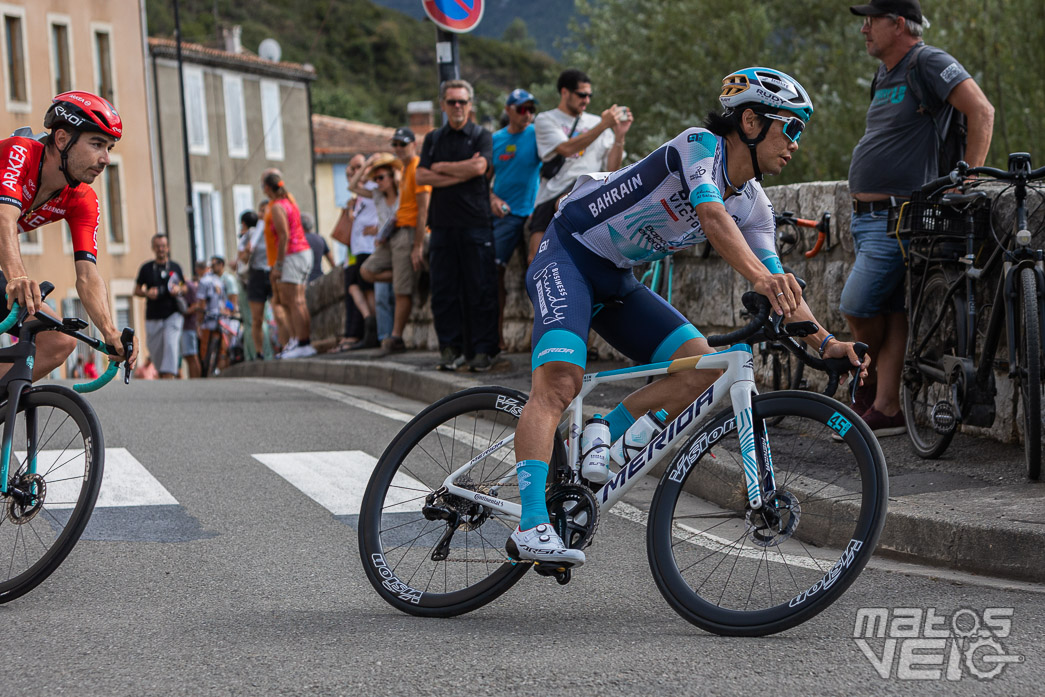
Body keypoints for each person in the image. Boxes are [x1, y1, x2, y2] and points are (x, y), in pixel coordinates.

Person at [505, 68, 870, 566]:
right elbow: (711, 216)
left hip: (616, 276)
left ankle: (602, 433)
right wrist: (759, 279)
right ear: (750, 120)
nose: (796, 144)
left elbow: (783, 288)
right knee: (558, 385)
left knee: (699, 370)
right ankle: (531, 525)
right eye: (791, 127)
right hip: (567, 253)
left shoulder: (755, 206)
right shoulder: (699, 146)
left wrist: (829, 344)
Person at [843, 0, 994, 435]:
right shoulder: (886, 74)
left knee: (856, 302)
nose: (864, 29)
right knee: (891, 311)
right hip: (867, 216)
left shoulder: (927, 61)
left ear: (899, 24)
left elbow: (981, 111)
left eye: (872, 20)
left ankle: (863, 376)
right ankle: (887, 406)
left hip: (898, 216)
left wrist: (967, 178)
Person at [0, 91, 138, 379]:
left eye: (109, 147)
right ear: (62, 139)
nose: (106, 159)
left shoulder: (82, 199)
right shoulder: (20, 152)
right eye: (97, 144)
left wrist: (110, 330)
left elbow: (87, 275)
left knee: (59, 340)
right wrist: (17, 277)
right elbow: (4, 218)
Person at [416, 79, 498, 372]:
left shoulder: (481, 136)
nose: (458, 107)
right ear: (443, 105)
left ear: (470, 104)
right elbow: (421, 177)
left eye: (462, 101)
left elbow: (480, 168)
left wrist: (440, 168)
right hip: (441, 226)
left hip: (475, 224)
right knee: (444, 293)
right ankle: (450, 349)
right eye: (452, 102)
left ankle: (482, 351)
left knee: (481, 289)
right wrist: (462, 171)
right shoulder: (433, 139)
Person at [528, 69, 633, 263]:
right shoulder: (546, 119)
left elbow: (612, 168)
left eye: (589, 95)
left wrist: (619, 136)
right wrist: (603, 125)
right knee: (535, 260)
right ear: (565, 92)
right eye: (581, 95)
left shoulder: (597, 122)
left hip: (588, 188)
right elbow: (566, 148)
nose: (586, 100)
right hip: (553, 191)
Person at [360, 127, 432, 355]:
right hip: (395, 233)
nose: (399, 148)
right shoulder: (404, 170)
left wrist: (418, 244)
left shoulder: (417, 167)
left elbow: (423, 210)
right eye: (396, 145)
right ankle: (412, 275)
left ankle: (395, 338)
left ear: (413, 144)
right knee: (367, 271)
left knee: (401, 291)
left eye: (403, 144)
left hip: (410, 232)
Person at [490, 88, 542, 350]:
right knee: (494, 272)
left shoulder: (538, 134)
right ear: (508, 110)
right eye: (522, 109)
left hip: (532, 212)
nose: (528, 114)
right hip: (506, 215)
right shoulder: (494, 140)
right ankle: (496, 338)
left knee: (540, 271)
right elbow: (483, 179)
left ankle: (542, 339)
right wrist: (492, 199)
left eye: (532, 109)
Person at [333, 152, 401, 352]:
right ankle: (383, 336)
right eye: (376, 177)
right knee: (375, 291)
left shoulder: (388, 190)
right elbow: (352, 186)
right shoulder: (376, 193)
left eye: (381, 177)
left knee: (382, 292)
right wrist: (366, 167)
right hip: (372, 247)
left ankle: (387, 335)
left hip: (375, 246)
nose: (378, 181)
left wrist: (374, 165)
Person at [262, 169, 316, 358]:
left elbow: (283, 235)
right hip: (302, 251)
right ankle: (302, 341)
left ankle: (301, 342)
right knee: (299, 300)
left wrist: (278, 265)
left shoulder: (277, 207)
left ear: (267, 188)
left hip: (292, 254)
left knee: (293, 301)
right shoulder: (289, 202)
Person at [135, 234, 186, 379]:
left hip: (173, 314)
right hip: (153, 316)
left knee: (171, 345)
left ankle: (169, 376)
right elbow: (136, 290)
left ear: (168, 247)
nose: (161, 249)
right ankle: (164, 374)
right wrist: (147, 293)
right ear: (153, 248)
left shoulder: (175, 267)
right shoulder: (146, 268)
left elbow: (185, 286)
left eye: (163, 246)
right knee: (155, 351)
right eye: (157, 246)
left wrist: (179, 289)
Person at [301, 212, 333, 284]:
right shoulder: (320, 238)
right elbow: (332, 261)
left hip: (304, 280)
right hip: (319, 279)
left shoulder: (299, 240)